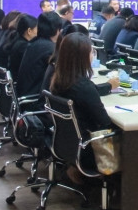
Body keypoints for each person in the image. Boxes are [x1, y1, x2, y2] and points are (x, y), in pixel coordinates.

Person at [49, 33, 118, 180]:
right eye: (91, 52)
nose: (93, 55)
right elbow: (104, 122)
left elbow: (88, 92)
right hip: (88, 149)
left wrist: (107, 87)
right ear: (82, 57)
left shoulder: (60, 79)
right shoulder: (84, 87)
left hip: (66, 143)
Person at [17, 11, 62, 96]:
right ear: (57, 30)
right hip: (35, 98)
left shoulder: (33, 43)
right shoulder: (51, 49)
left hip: (24, 94)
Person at [6, 14, 37, 79]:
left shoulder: (17, 40)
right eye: (37, 29)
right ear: (29, 31)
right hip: (19, 80)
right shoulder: (24, 46)